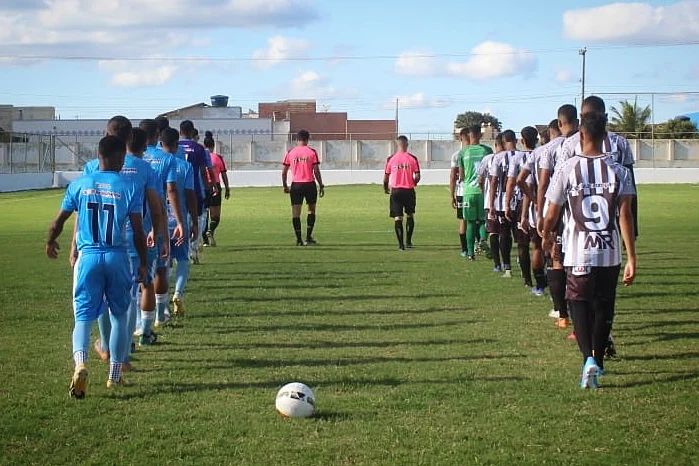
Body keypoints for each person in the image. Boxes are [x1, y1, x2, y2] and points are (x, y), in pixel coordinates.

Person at [46, 135, 147, 397]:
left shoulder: (80, 184)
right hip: (116, 257)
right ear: (118, 157)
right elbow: (138, 231)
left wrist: (50, 241)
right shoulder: (128, 186)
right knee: (119, 317)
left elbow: (59, 221)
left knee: (82, 318)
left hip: (88, 257)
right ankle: (114, 377)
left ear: (98, 155)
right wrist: (144, 263)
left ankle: (80, 364)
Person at [542, 111, 637, 389]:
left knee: (579, 304)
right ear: (606, 137)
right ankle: (599, 359)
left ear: (580, 135)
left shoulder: (567, 168)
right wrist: (632, 256)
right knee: (604, 305)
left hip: (578, 250)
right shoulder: (618, 170)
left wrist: (547, 234)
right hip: (609, 252)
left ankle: (588, 360)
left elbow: (552, 211)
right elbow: (626, 215)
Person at [85, 125, 166, 367]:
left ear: (105, 134)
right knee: (130, 296)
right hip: (134, 237)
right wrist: (158, 232)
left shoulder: (91, 167)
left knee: (102, 297)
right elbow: (155, 204)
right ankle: (124, 352)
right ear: (130, 137)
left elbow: (81, 209)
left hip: (97, 240)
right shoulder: (143, 168)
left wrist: (74, 245)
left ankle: (108, 347)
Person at [140, 119, 184, 336]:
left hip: (133, 222)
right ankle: (158, 315)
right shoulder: (167, 158)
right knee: (160, 268)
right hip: (157, 219)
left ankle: (140, 322)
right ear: (158, 135)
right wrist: (180, 221)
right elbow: (172, 190)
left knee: (138, 272)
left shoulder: (130, 160)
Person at [538, 106, 579, 330]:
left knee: (558, 260)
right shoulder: (614, 142)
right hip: (599, 217)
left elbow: (547, 183)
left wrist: (542, 213)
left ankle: (563, 314)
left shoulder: (559, 147)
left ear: (560, 123)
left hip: (564, 211)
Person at [517, 119, 562, 297]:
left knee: (538, 246)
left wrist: (534, 200)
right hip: (565, 207)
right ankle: (561, 289)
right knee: (559, 249)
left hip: (542, 209)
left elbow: (522, 180)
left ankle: (541, 286)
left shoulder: (539, 152)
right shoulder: (573, 145)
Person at [162, 127, 198, 318]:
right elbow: (191, 194)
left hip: (158, 223)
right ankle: (178, 294)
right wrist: (193, 221)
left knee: (163, 265)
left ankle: (163, 307)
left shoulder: (155, 165)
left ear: (161, 144)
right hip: (179, 221)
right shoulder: (185, 167)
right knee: (183, 259)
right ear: (178, 144)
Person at [504, 127, 538, 287]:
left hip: (520, 203)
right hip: (540, 201)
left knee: (523, 243)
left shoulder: (517, 157)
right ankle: (542, 276)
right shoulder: (542, 154)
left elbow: (511, 181)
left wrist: (507, 204)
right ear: (536, 139)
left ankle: (527, 280)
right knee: (540, 242)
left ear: (522, 141)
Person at [179, 120, 216, 263]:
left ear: (181, 131)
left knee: (179, 218)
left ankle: (182, 249)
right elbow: (204, 169)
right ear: (191, 131)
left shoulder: (174, 147)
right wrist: (210, 185)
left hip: (177, 188)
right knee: (198, 217)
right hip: (195, 187)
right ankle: (193, 249)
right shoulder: (199, 148)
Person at [281, 130, 325, 246]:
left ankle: (299, 239)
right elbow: (316, 170)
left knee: (296, 213)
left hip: (296, 185)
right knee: (311, 210)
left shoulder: (290, 152)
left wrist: (285, 185)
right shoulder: (312, 152)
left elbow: (284, 172)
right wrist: (321, 184)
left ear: (297, 139)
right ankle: (309, 237)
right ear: (307, 139)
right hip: (309, 184)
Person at [488, 130, 521, 278]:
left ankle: (507, 267)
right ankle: (522, 261)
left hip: (502, 202)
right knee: (520, 236)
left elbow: (494, 181)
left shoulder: (499, 158)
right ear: (516, 140)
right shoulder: (524, 156)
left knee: (504, 234)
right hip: (521, 201)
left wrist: (491, 204)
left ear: (502, 141)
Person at [458, 125, 493, 260]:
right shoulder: (487, 151)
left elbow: (461, 175)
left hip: (468, 191)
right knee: (483, 220)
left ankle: (470, 253)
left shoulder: (463, 152)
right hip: (483, 191)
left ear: (469, 134)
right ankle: (483, 239)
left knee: (470, 222)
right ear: (480, 135)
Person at [384, 135, 421, 250]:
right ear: (407, 144)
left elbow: (386, 177)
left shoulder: (391, 159)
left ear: (397, 144)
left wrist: (385, 188)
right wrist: (413, 182)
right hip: (409, 190)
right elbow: (418, 176)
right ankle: (409, 242)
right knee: (410, 215)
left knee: (398, 217)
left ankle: (401, 245)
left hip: (396, 191)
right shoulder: (412, 158)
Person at [480, 134, 504, 271]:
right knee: (506, 233)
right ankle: (509, 262)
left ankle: (497, 264)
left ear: (495, 145)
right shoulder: (515, 157)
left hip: (491, 202)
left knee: (493, 233)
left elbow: (480, 178)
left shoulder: (488, 159)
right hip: (511, 202)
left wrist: (485, 191)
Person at [203, 131, 230, 247]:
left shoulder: (201, 156)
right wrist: (227, 188)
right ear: (213, 146)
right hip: (216, 186)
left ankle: (205, 241)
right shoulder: (218, 158)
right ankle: (211, 230)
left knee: (204, 215)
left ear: (204, 145)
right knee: (216, 216)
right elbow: (223, 174)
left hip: (203, 186)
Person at [450, 131, 469, 256]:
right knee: (477, 220)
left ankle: (464, 249)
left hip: (462, 192)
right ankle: (478, 244)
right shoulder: (482, 152)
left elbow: (453, 176)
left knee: (463, 220)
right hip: (478, 191)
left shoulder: (457, 155)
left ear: (460, 138)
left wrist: (452, 195)